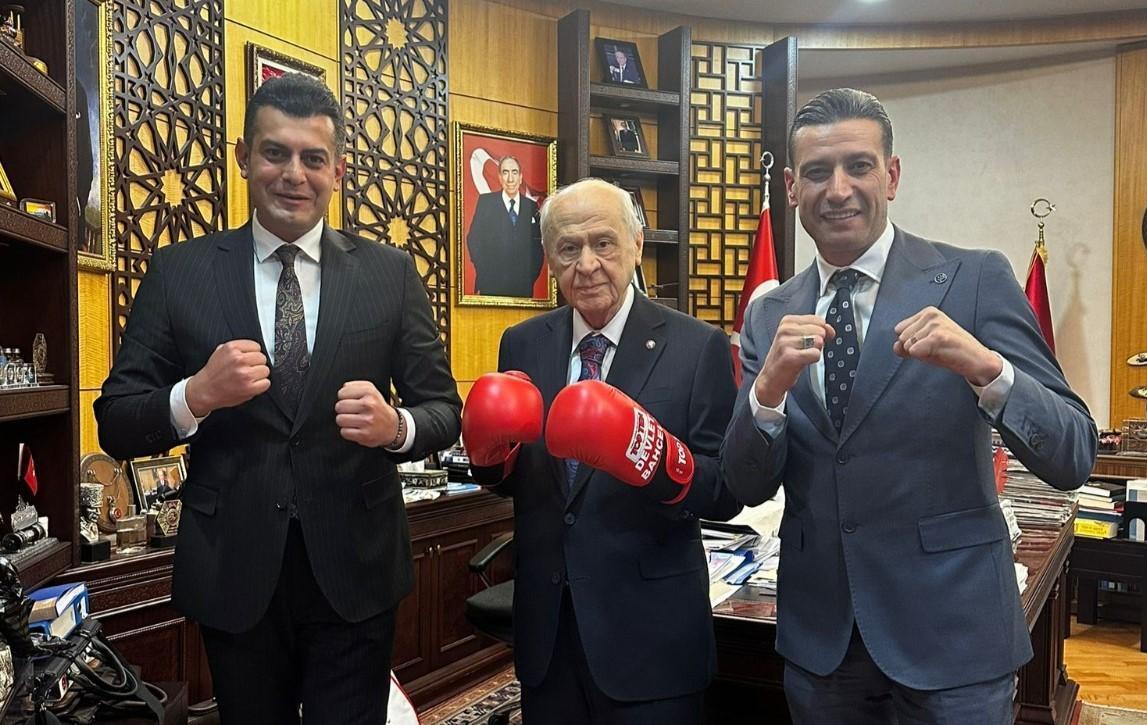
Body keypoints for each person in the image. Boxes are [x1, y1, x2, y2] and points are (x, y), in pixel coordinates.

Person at [94, 73, 461, 725]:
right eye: (275, 153)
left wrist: (397, 426)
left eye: (313, 158)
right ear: (243, 157)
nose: (294, 174)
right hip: (234, 568)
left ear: (337, 171)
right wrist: (195, 395)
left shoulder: (390, 273)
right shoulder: (179, 272)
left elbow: (443, 410)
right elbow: (116, 420)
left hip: (355, 568)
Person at [721, 87, 1097, 724]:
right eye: (817, 171)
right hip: (823, 643)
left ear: (891, 176)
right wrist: (767, 395)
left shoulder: (974, 280)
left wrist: (987, 369)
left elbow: (1073, 452)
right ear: (790, 187)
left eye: (858, 166)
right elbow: (745, 483)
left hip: (953, 636)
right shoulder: (769, 314)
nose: (838, 189)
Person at [461, 178, 740, 724]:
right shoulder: (522, 343)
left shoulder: (696, 345)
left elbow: (726, 491)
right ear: (549, 260)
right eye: (568, 248)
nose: (586, 264)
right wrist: (488, 460)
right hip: (549, 635)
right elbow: (520, 481)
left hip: (651, 639)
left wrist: (657, 461)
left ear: (636, 244)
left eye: (603, 242)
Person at [465, 155, 544, 297]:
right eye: (505, 173)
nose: (510, 179)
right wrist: (484, 271)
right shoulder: (486, 202)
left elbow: (538, 247)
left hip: (523, 287)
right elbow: (473, 238)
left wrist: (529, 278)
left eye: (514, 172)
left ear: (520, 177)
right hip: (490, 285)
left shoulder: (531, 206)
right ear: (500, 177)